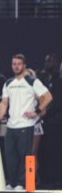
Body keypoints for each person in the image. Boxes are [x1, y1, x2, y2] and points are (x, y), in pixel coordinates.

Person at [0, 54, 52, 190]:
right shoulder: (8, 83)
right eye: (14, 64)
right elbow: (3, 104)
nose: (16, 66)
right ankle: (12, 182)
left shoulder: (32, 81)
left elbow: (48, 97)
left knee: (28, 156)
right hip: (11, 125)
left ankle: (25, 183)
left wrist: (37, 110)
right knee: (10, 156)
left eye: (19, 64)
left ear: (24, 65)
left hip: (28, 124)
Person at [37, 54, 62, 188]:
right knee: (43, 152)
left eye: (50, 61)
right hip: (43, 122)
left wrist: (46, 112)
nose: (47, 63)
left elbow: (57, 101)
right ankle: (44, 179)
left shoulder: (60, 80)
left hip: (56, 122)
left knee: (56, 151)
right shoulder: (42, 79)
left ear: (56, 63)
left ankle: (57, 179)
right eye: (46, 61)